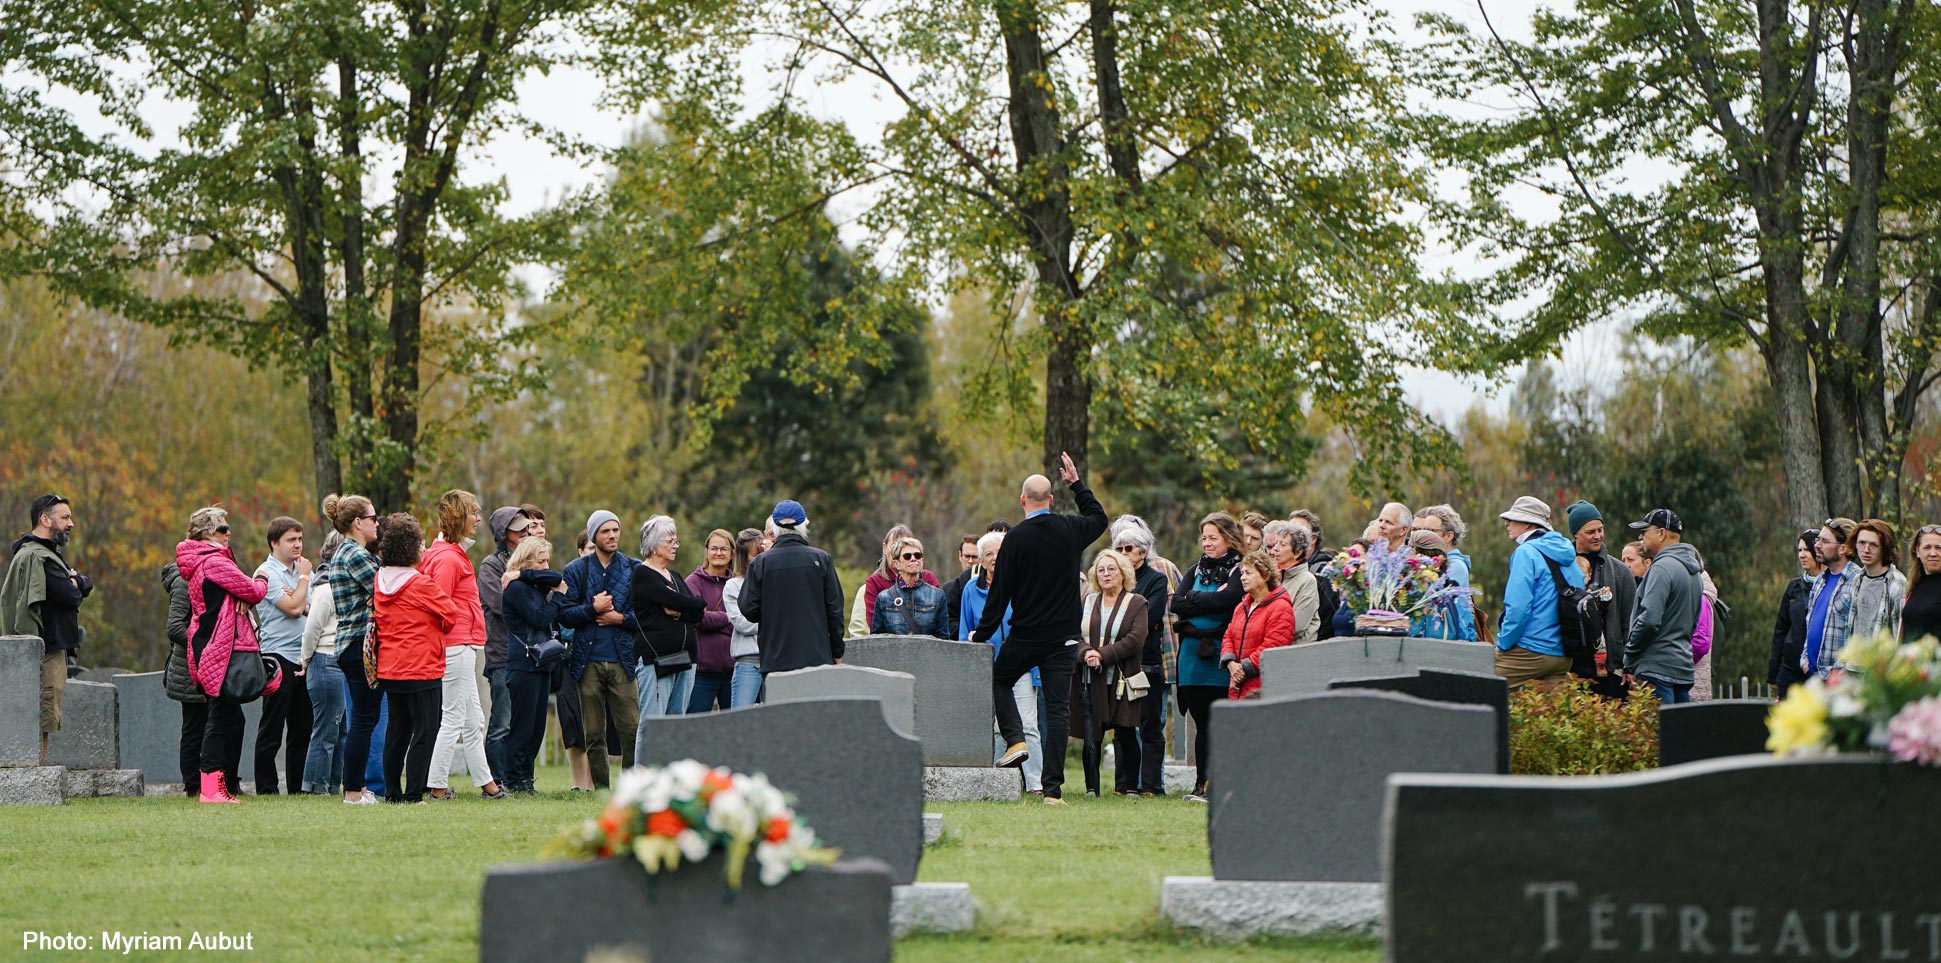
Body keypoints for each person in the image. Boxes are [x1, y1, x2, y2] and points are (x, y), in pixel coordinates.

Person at [971, 453, 1109, 805]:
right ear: (1050, 499)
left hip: (1027, 635)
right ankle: (1052, 791)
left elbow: (999, 593)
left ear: (1022, 501)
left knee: (1000, 679)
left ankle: (1016, 739)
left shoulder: (1014, 540)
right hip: (1063, 638)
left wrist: (982, 634)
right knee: (1058, 709)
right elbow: (1099, 518)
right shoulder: (1069, 529)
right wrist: (1077, 485)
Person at [175, 506, 271, 803]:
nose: (229, 534)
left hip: (209, 644)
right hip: (221, 647)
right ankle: (210, 789)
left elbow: (235, 594)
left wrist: (237, 597)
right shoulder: (213, 561)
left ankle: (216, 787)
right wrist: (263, 577)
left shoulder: (200, 562)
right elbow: (253, 591)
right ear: (205, 534)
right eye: (222, 529)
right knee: (219, 718)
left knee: (226, 717)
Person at [420, 491, 507, 801]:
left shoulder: (450, 552)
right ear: (459, 517)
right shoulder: (446, 557)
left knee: (474, 721)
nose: (478, 518)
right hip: (455, 646)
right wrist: (452, 631)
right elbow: (438, 604)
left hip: (464, 645)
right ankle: (438, 788)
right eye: (473, 512)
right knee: (454, 718)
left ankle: (488, 786)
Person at [371, 513, 456, 804]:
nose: (424, 548)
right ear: (409, 548)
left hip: (391, 668)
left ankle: (392, 792)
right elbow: (451, 613)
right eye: (420, 543)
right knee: (426, 729)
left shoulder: (379, 580)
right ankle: (413, 793)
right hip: (422, 667)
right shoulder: (421, 584)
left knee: (397, 731)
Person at [2, 495, 93, 766]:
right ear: (45, 519)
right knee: (42, 714)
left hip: (43, 649)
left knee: (42, 713)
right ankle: (35, 776)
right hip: (45, 650)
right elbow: (71, 595)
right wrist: (76, 580)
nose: (71, 523)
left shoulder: (42, 554)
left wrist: (77, 581)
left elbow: (80, 586)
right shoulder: (39, 557)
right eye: (64, 517)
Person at [560, 510, 640, 790]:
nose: (613, 536)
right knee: (594, 734)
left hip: (623, 660)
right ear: (594, 535)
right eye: (606, 531)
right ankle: (602, 792)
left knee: (631, 730)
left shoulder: (634, 568)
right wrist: (591, 609)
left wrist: (619, 618)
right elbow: (565, 615)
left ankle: (630, 788)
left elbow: (644, 615)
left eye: (615, 530)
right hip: (587, 661)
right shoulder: (575, 570)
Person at [1169, 512, 1246, 801]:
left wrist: (1195, 600)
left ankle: (1220, 780)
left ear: (1228, 539)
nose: (1206, 543)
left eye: (1213, 537)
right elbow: (1177, 602)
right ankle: (1201, 782)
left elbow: (1231, 600)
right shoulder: (1195, 570)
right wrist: (1204, 601)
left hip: (1219, 656)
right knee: (1201, 723)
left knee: (1219, 721)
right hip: (1191, 657)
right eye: (1204, 537)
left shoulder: (1238, 569)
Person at [963, 530, 1043, 795]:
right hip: (987, 668)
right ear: (981, 561)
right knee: (997, 728)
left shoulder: (1022, 585)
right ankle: (999, 783)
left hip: (1020, 664)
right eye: (989, 554)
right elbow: (966, 631)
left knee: (1029, 725)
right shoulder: (970, 590)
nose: (995, 558)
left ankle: (1034, 784)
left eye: (1000, 552)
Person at [319, 493, 383, 804]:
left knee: (363, 718)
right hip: (358, 643)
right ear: (358, 523)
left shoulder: (348, 552)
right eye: (373, 518)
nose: (377, 523)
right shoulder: (354, 555)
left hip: (352, 643)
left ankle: (356, 788)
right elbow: (385, 590)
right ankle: (354, 791)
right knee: (362, 719)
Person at [740, 499, 847, 676]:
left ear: (775, 527)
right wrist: (837, 652)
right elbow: (835, 612)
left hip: (776, 659)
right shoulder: (821, 559)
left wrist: (771, 612)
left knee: (780, 705)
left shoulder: (762, 563)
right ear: (804, 524)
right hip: (817, 659)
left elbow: (748, 609)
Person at [1075, 548, 1148, 797]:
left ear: (1123, 573)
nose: (1106, 574)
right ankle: (1091, 788)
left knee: (1126, 731)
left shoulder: (1136, 602)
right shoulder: (1089, 601)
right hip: (1090, 677)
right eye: (1101, 570)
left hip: (1122, 679)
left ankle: (1131, 787)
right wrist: (1087, 653)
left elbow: (1136, 639)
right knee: (1091, 733)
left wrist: (1102, 654)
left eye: (1111, 569)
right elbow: (1075, 635)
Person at [1108, 515, 1171, 796]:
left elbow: (1150, 616)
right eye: (1119, 549)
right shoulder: (1113, 581)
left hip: (1146, 661)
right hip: (1118, 661)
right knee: (1121, 726)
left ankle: (1151, 785)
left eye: (1129, 549)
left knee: (1149, 725)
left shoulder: (1157, 580)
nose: (1123, 555)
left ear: (1143, 552)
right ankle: (1124, 784)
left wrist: (1127, 624)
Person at [252, 516, 314, 794]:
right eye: (291, 540)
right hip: (277, 657)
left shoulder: (302, 572)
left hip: (303, 656)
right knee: (272, 727)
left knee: (302, 728)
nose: (298, 545)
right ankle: (266, 788)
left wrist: (298, 595)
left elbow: (310, 608)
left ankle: (297, 787)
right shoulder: (266, 573)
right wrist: (301, 584)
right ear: (274, 543)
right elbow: (291, 608)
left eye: (300, 539)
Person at [632, 515, 703, 755]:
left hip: (686, 658)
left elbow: (696, 611)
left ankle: (670, 781)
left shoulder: (676, 577)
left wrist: (679, 610)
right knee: (653, 724)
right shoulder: (642, 575)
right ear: (653, 544)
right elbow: (678, 601)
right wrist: (685, 606)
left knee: (676, 724)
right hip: (656, 660)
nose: (674, 545)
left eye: (676, 541)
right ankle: (643, 781)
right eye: (669, 540)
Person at [1494, 496, 1583, 687]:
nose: (1507, 523)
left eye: (1512, 519)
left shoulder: (1525, 552)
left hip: (1529, 652)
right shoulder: (1568, 555)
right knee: (1542, 714)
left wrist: (1503, 644)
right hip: (1562, 656)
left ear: (1527, 523)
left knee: (1475, 688)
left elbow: (1518, 608)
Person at [501, 536, 566, 795]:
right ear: (526, 560)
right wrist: (559, 599)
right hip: (523, 664)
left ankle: (526, 779)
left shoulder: (532, 584)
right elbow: (540, 619)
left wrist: (522, 573)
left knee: (537, 728)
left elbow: (556, 576)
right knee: (522, 726)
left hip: (542, 664)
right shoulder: (516, 589)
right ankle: (513, 780)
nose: (546, 566)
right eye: (541, 561)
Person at [476, 506, 532, 795]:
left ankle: (521, 781)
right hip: (502, 654)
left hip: (529, 653)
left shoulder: (533, 561)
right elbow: (500, 606)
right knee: (502, 724)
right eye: (519, 529)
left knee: (525, 724)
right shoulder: (490, 566)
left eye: (527, 528)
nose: (526, 532)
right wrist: (530, 604)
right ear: (503, 534)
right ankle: (496, 783)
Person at [1622, 509, 1704, 704]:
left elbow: (1649, 620)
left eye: (1645, 531)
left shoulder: (1661, 567)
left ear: (1661, 532)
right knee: (1679, 734)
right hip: (1682, 668)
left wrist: (1629, 656)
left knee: (1657, 733)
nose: (1640, 537)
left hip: (1656, 669)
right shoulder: (1693, 572)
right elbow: (1693, 623)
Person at [1562, 500, 1634, 692]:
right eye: (1590, 532)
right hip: (1570, 664)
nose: (1597, 536)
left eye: (1600, 530)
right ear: (1576, 533)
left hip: (1609, 667)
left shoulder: (1620, 572)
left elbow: (1630, 621)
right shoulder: (1560, 568)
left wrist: (1629, 663)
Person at [160, 553, 213, 796]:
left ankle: (219, 782)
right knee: (194, 728)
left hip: (209, 665)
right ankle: (193, 785)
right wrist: (204, 646)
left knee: (221, 724)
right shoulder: (183, 581)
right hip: (189, 668)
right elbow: (174, 627)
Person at [299, 532, 347, 795]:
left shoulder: (337, 587)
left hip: (338, 662)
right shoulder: (327, 589)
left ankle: (333, 784)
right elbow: (312, 630)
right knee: (327, 728)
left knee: (341, 729)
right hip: (325, 660)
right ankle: (316, 786)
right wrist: (305, 660)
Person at [1219, 551, 1295, 700]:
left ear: (1266, 576)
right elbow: (1229, 635)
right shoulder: (1241, 607)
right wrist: (1231, 664)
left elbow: (1274, 644)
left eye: (1248, 573)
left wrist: (1243, 669)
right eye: (1242, 573)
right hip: (1237, 687)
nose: (1242, 577)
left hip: (1262, 688)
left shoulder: (1280, 607)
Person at [684, 529, 737, 713]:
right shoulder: (693, 582)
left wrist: (715, 619)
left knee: (734, 727)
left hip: (733, 671)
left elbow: (746, 619)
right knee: (696, 726)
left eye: (724, 549)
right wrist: (730, 617)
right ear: (706, 551)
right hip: (702, 672)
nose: (719, 553)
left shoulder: (738, 582)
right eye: (714, 548)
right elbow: (698, 619)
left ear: (732, 553)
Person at [853, 524, 940, 635]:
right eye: (895, 544)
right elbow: (874, 626)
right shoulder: (874, 583)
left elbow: (939, 622)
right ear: (885, 548)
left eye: (904, 545)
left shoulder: (928, 579)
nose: (898, 550)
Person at [1410, 505, 1479, 642]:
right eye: (1422, 529)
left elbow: (1452, 608)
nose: (1424, 534)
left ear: (1448, 536)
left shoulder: (1455, 566)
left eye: (1430, 531)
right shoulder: (1428, 565)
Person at [1802, 517, 1859, 680]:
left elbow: (1859, 635)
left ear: (1843, 549)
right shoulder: (1820, 580)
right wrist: (1804, 660)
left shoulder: (1857, 582)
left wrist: (1840, 673)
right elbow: (1810, 622)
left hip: (1838, 683)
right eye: (1818, 539)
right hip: (1812, 677)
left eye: (1825, 541)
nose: (1817, 545)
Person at [1768, 531, 1821, 698]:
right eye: (1799, 550)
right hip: (1789, 670)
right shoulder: (1793, 587)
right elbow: (1780, 631)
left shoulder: (1830, 587)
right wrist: (1773, 674)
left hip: (1817, 672)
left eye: (1807, 550)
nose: (1802, 555)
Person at [721, 528, 768, 707]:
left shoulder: (773, 581)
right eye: (755, 555)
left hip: (773, 657)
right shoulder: (733, 586)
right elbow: (742, 623)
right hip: (748, 660)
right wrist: (772, 622)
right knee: (741, 714)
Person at [871, 537, 951, 637]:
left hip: (926, 652)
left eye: (917, 555)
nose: (913, 559)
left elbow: (943, 639)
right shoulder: (883, 598)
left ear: (922, 560)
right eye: (907, 556)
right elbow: (877, 640)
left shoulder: (938, 596)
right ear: (897, 564)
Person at [1263, 521, 1319, 644]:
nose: (1275, 549)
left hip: (1295, 652)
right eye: (1275, 543)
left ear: (1298, 552)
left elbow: (1296, 626)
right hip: (1270, 649)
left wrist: (1262, 629)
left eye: (1282, 545)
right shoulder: (1271, 576)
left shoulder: (1307, 580)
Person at [1849, 518, 1907, 640]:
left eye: (1874, 545)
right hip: (1856, 657)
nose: (1866, 550)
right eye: (1862, 543)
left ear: (1884, 548)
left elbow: (1899, 634)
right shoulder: (1857, 579)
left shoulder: (1897, 584)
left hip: (1882, 658)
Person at [1291, 511, 1340, 640]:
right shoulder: (1286, 570)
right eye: (1289, 531)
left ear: (1313, 538)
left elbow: (1330, 616)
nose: (1292, 536)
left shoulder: (1323, 571)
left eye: (1298, 531)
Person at [1901, 525, 1941, 644]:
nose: (1933, 553)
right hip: (1910, 661)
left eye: (1939, 548)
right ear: (1917, 551)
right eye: (1927, 547)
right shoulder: (1914, 584)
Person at [940, 534, 982, 640]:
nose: (970, 561)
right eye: (967, 556)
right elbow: (946, 621)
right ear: (960, 556)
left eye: (975, 557)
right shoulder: (949, 588)